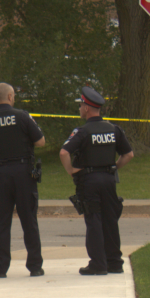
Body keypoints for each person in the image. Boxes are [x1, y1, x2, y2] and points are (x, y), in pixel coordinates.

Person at [0, 82, 46, 278]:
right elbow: (40, 141)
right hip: (23, 173)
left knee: (1, 221)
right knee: (29, 220)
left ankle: (0, 268)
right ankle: (35, 266)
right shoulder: (23, 116)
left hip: (0, 174)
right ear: (11, 96)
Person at [59, 86, 134, 275]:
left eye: (80, 105)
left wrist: (71, 171)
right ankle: (114, 263)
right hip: (109, 180)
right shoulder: (114, 129)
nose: (79, 109)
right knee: (110, 220)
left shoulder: (82, 132)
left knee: (93, 221)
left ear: (86, 108)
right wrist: (114, 167)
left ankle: (98, 264)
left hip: (89, 181)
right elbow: (129, 155)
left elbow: (64, 152)